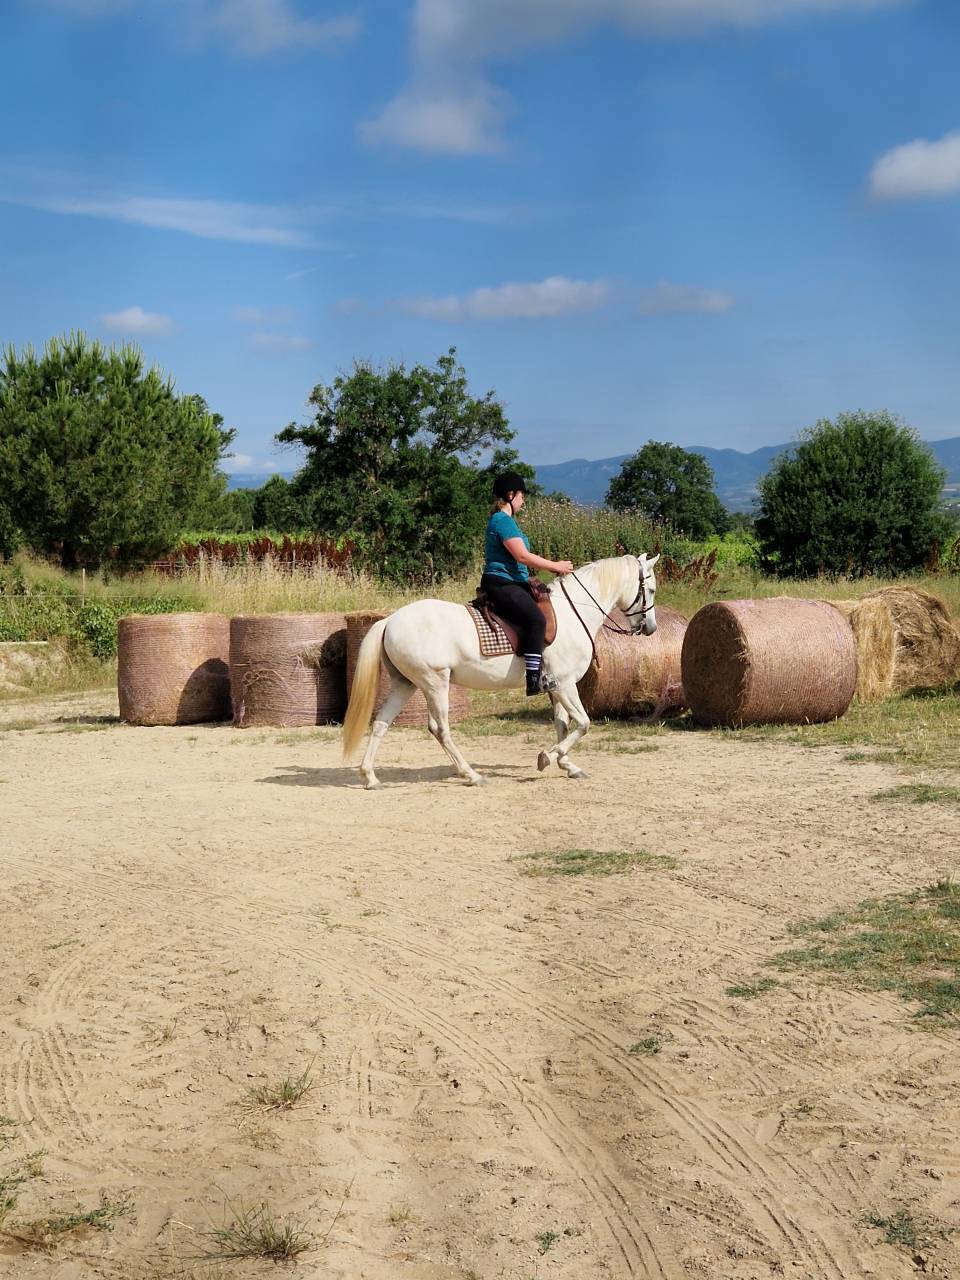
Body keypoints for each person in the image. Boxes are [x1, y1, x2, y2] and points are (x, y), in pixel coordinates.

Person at [480, 472, 574, 696]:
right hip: (502, 583)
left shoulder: (508, 522)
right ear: (510, 495)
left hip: (514, 581)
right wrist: (555, 566)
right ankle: (534, 679)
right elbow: (522, 556)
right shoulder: (502, 521)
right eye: (522, 496)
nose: (524, 501)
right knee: (536, 619)